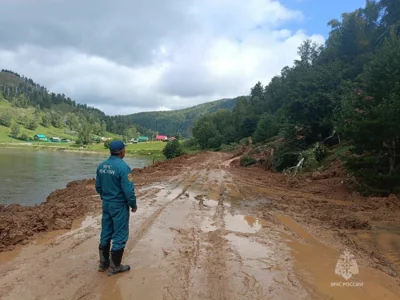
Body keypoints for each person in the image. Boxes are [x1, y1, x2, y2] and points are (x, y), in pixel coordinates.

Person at [95, 139, 137, 276]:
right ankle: (115, 266)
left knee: (106, 231)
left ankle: (103, 263)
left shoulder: (101, 166)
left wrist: (105, 197)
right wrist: (133, 204)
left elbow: (98, 187)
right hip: (119, 205)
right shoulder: (123, 168)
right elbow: (128, 191)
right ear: (121, 151)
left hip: (106, 204)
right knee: (120, 234)